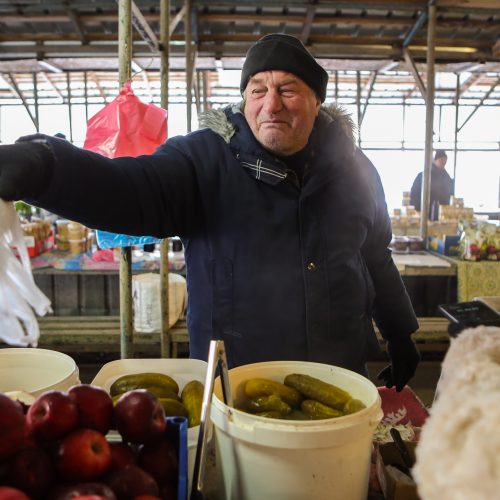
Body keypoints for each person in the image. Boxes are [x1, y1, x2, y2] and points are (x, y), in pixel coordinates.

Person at [0, 34, 420, 391]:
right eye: (258, 90)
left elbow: (375, 255)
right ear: (244, 100)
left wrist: (401, 331)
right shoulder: (202, 160)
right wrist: (47, 166)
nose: (271, 105)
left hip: (339, 374)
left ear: (316, 102)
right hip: (235, 379)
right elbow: (129, 191)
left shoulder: (356, 170)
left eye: (288, 89)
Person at [410, 149, 454, 220]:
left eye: (445, 160)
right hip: (424, 213)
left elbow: (451, 194)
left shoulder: (447, 177)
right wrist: (417, 210)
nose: (444, 162)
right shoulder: (424, 175)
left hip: (442, 215)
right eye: (441, 159)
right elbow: (414, 194)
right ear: (435, 160)